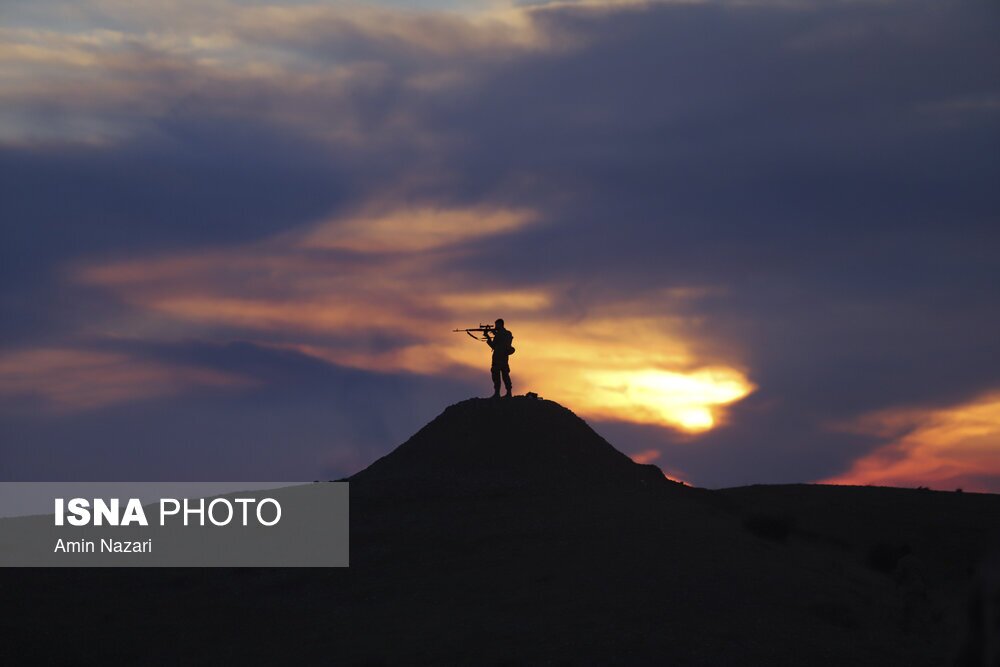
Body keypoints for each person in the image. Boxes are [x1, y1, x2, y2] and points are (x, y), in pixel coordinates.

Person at [485, 318, 513, 398]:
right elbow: (495, 345)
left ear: (500, 324)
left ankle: (502, 393)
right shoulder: (504, 334)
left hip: (500, 358)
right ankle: (503, 393)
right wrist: (490, 336)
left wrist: (491, 336)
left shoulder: (503, 334)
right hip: (501, 358)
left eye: (496, 325)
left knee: (500, 375)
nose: (495, 326)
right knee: (501, 375)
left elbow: (496, 344)